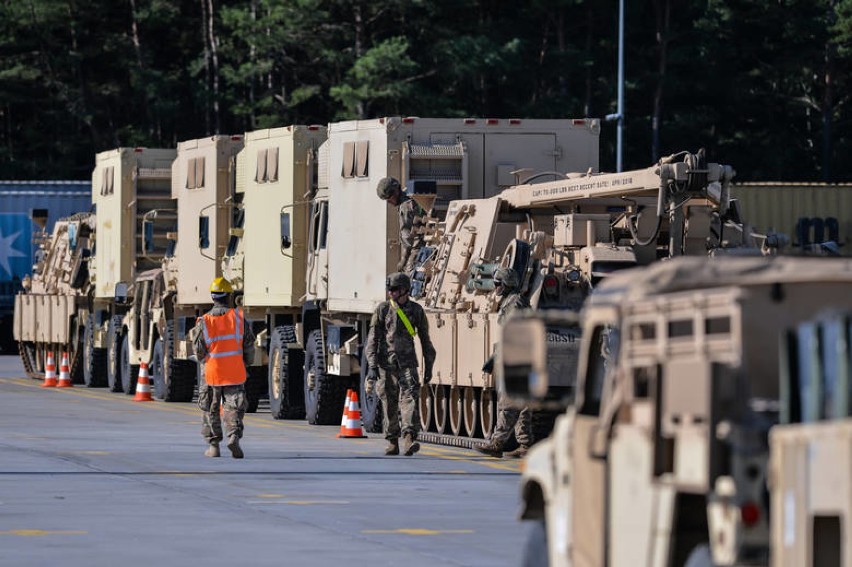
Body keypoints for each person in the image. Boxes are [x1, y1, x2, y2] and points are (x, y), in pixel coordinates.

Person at [364, 272, 436, 456]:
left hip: (408, 363)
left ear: (405, 290)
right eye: (389, 289)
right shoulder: (382, 310)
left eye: (395, 289)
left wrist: (429, 367)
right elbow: (372, 340)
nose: (391, 293)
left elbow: (426, 341)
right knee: (389, 402)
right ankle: (392, 441)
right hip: (385, 364)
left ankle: (409, 438)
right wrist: (372, 366)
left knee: (409, 399)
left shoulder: (417, 311)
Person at [192, 276, 255, 459]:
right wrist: (246, 362)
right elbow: (249, 346)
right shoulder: (238, 319)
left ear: (212, 297)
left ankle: (213, 446)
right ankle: (233, 436)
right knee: (234, 406)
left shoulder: (204, 321)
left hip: (211, 372)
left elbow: (198, 351)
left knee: (210, 407)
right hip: (234, 371)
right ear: (228, 296)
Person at [476, 267, 533, 459]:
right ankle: (524, 443)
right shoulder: (512, 301)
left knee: (509, 403)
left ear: (507, 285)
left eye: (498, 284)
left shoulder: (514, 303)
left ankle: (497, 443)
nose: (496, 287)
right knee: (522, 404)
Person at [376, 177, 428, 272]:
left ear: (396, 192)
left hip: (418, 247)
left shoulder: (406, 206)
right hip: (426, 244)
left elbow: (408, 237)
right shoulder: (410, 196)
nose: (389, 202)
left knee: (411, 275)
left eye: (389, 198)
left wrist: (403, 260)